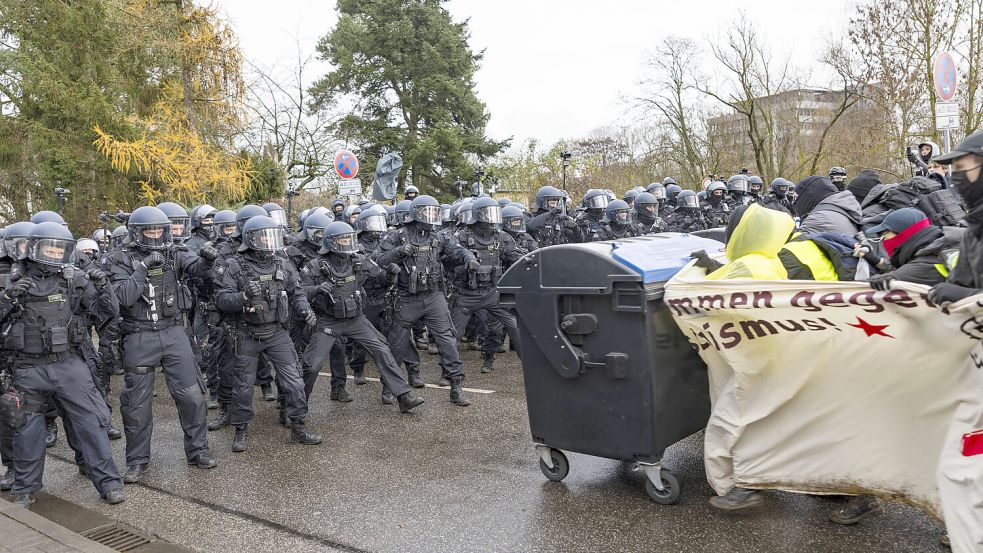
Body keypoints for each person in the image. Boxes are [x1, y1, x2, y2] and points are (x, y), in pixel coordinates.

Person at [1, 222, 125, 507]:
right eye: (50, 249)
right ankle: (25, 488)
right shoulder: (11, 280)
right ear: (34, 248)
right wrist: (8, 297)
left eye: (60, 250)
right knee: (26, 432)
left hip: (68, 364)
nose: (55, 255)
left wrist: (103, 286)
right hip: (27, 368)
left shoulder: (73, 279)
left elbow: (108, 312)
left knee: (92, 424)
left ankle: (109, 483)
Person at [103, 206, 218, 483]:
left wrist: (207, 260)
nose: (156, 235)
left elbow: (196, 268)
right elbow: (123, 297)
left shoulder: (174, 251)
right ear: (136, 232)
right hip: (139, 335)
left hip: (174, 332)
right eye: (149, 230)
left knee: (192, 396)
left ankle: (198, 450)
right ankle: (137, 460)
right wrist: (143, 268)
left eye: (159, 230)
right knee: (136, 404)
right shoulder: (118, 258)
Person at [213, 216, 321, 452]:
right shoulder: (233, 265)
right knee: (243, 386)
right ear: (251, 238)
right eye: (263, 236)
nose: (269, 241)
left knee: (294, 381)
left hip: (276, 331)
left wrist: (305, 310)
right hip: (246, 333)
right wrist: (243, 296)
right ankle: (240, 429)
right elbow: (222, 299)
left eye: (271, 236)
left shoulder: (281, 263)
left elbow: (297, 292)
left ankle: (298, 426)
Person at [299, 222, 425, 412]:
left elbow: (379, 278)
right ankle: (297, 407)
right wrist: (316, 289)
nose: (347, 243)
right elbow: (299, 291)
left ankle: (403, 396)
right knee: (312, 365)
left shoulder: (359, 260)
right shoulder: (315, 266)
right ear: (331, 243)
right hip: (328, 321)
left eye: (349, 239)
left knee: (382, 349)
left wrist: (390, 275)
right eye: (343, 240)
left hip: (355, 319)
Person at [377, 195, 473, 405]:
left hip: (433, 296)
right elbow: (378, 260)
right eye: (427, 212)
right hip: (405, 298)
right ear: (415, 214)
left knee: (448, 340)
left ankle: (456, 387)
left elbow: (457, 250)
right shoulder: (396, 236)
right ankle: (389, 386)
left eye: (434, 212)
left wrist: (469, 257)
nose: (431, 217)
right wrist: (398, 252)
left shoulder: (437, 237)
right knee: (396, 345)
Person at [449, 197, 523, 374]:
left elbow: (516, 256)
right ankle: (449, 373)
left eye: (494, 213)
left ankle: (529, 365)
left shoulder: (501, 236)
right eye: (487, 214)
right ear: (477, 216)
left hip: (493, 292)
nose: (491, 219)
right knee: (453, 335)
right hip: (467, 293)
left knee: (515, 325)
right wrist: (465, 263)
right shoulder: (461, 236)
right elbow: (448, 259)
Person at [921, 131, 983, 306]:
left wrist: (966, 296)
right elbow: (959, 281)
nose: (956, 177)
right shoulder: (974, 229)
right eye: (954, 170)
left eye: (961, 168)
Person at [794, 176, 862, 235]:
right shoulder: (843, 209)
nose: (794, 203)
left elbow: (796, 243)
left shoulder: (816, 220)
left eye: (796, 198)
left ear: (807, 196)